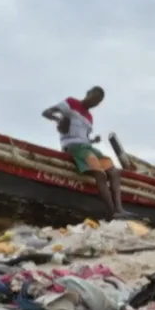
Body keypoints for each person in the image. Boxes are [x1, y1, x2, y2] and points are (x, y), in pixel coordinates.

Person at [42, 87, 132, 219]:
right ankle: (112, 212)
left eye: (98, 101)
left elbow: (84, 138)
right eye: (94, 97)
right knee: (100, 173)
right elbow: (46, 112)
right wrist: (59, 120)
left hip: (87, 147)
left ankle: (119, 209)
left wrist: (92, 141)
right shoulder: (71, 103)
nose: (94, 102)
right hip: (74, 147)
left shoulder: (89, 117)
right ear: (88, 94)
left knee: (114, 171)